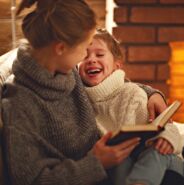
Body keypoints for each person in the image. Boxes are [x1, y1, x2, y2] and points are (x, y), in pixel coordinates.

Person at [1, 1, 168, 185]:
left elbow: (106, 87)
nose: (84, 58)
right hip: (95, 174)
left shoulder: (64, 68)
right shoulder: (19, 104)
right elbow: (32, 180)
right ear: (61, 48)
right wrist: (95, 163)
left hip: (111, 163)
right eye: (85, 48)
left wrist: (152, 94)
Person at [78, 29, 184, 185]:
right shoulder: (79, 100)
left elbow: (164, 125)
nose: (91, 60)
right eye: (84, 55)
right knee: (119, 161)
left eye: (99, 55)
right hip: (124, 160)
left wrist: (167, 138)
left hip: (163, 158)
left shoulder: (132, 93)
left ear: (117, 65)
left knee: (154, 152)